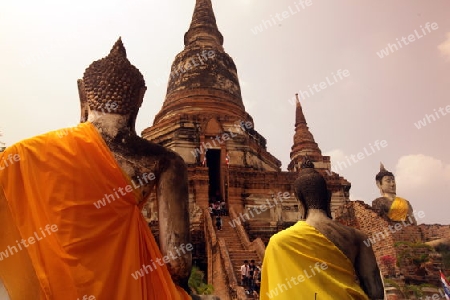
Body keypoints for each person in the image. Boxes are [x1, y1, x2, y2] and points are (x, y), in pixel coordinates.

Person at [0, 39, 191, 299]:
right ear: (140, 97)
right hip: (127, 288)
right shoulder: (165, 161)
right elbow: (177, 264)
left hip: (56, 288)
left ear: (83, 94)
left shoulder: (24, 154)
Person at [260, 157, 385, 300]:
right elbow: (375, 291)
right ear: (329, 197)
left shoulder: (279, 242)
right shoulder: (358, 237)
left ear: (299, 200)